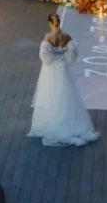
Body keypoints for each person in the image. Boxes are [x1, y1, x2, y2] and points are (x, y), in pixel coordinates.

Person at [28, 13, 99, 147]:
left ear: (50, 23)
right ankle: (68, 119)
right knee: (66, 93)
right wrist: (64, 57)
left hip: (50, 70)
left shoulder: (48, 37)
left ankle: (52, 120)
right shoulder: (66, 36)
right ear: (59, 22)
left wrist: (51, 57)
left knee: (50, 93)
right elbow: (73, 54)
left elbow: (45, 57)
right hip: (63, 68)